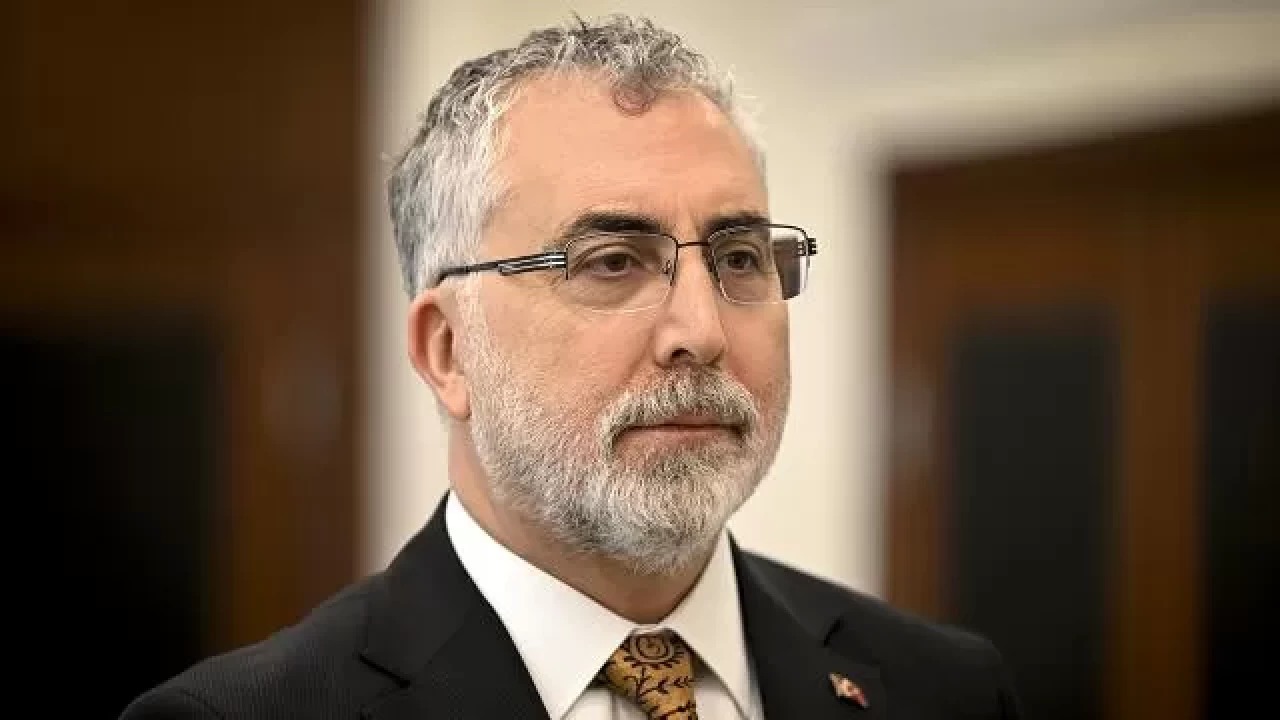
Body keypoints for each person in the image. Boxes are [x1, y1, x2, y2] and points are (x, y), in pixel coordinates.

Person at [121, 14, 1022, 720]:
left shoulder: (945, 689)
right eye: (612, 262)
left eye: (741, 258)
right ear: (447, 350)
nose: (701, 330)